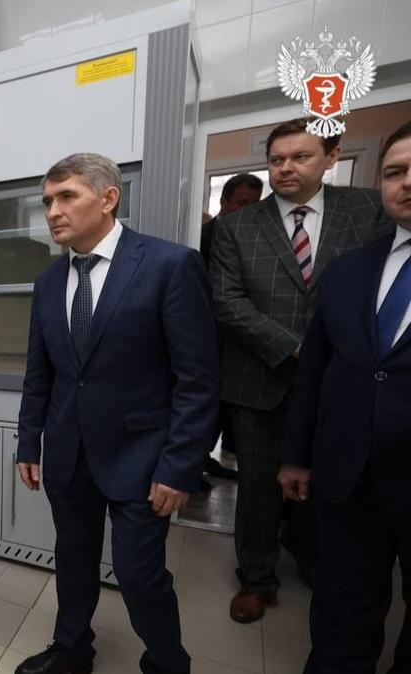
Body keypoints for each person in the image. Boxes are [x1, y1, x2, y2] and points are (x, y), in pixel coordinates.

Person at [16, 153, 219, 674]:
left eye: (67, 197)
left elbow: (197, 381)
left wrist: (180, 467)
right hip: (69, 454)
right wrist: (28, 443)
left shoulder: (169, 265)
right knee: (73, 560)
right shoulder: (47, 282)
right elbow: (40, 374)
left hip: (143, 457)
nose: (53, 211)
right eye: (47, 201)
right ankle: (71, 649)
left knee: (138, 574)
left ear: (108, 198)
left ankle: (168, 662)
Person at [208, 118, 389, 623]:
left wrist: (333, 352)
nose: (285, 167)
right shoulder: (236, 226)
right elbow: (226, 300)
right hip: (260, 378)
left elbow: (380, 284)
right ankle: (256, 578)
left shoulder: (368, 210)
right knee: (257, 486)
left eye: (300, 157)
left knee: (328, 478)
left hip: (341, 380)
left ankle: (312, 555)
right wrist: (296, 348)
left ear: (331, 157)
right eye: (276, 160)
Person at [278, 121, 411, 671]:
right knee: (343, 604)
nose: (406, 183)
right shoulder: (350, 270)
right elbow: (315, 368)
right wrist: (296, 454)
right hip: (349, 474)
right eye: (395, 172)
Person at [199, 172, 264, 485]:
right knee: (205, 407)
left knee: (224, 411)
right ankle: (192, 467)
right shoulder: (202, 237)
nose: (247, 210)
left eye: (254, 204)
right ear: (223, 201)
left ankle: (205, 460)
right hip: (208, 337)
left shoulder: (256, 241)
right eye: (242, 203)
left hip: (241, 343)